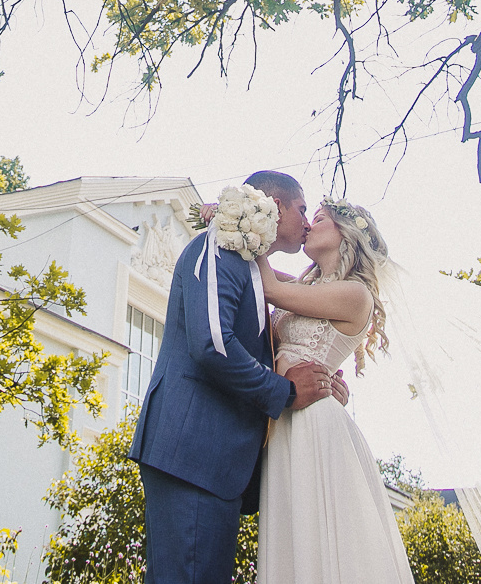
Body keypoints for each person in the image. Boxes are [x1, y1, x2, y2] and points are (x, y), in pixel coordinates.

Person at [129, 170, 349, 584]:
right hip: (192, 453)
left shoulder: (247, 263)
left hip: (215, 462)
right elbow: (213, 343)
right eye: (303, 210)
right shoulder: (216, 250)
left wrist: (322, 378)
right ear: (276, 206)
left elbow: (284, 324)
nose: (306, 223)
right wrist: (285, 392)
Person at [254, 200, 416, 584]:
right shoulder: (306, 289)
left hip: (314, 426)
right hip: (287, 419)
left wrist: (245, 222)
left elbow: (268, 287)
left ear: (346, 235)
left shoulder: (355, 295)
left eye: (320, 219)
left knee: (321, 539)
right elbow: (259, 277)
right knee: (293, 540)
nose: (309, 225)